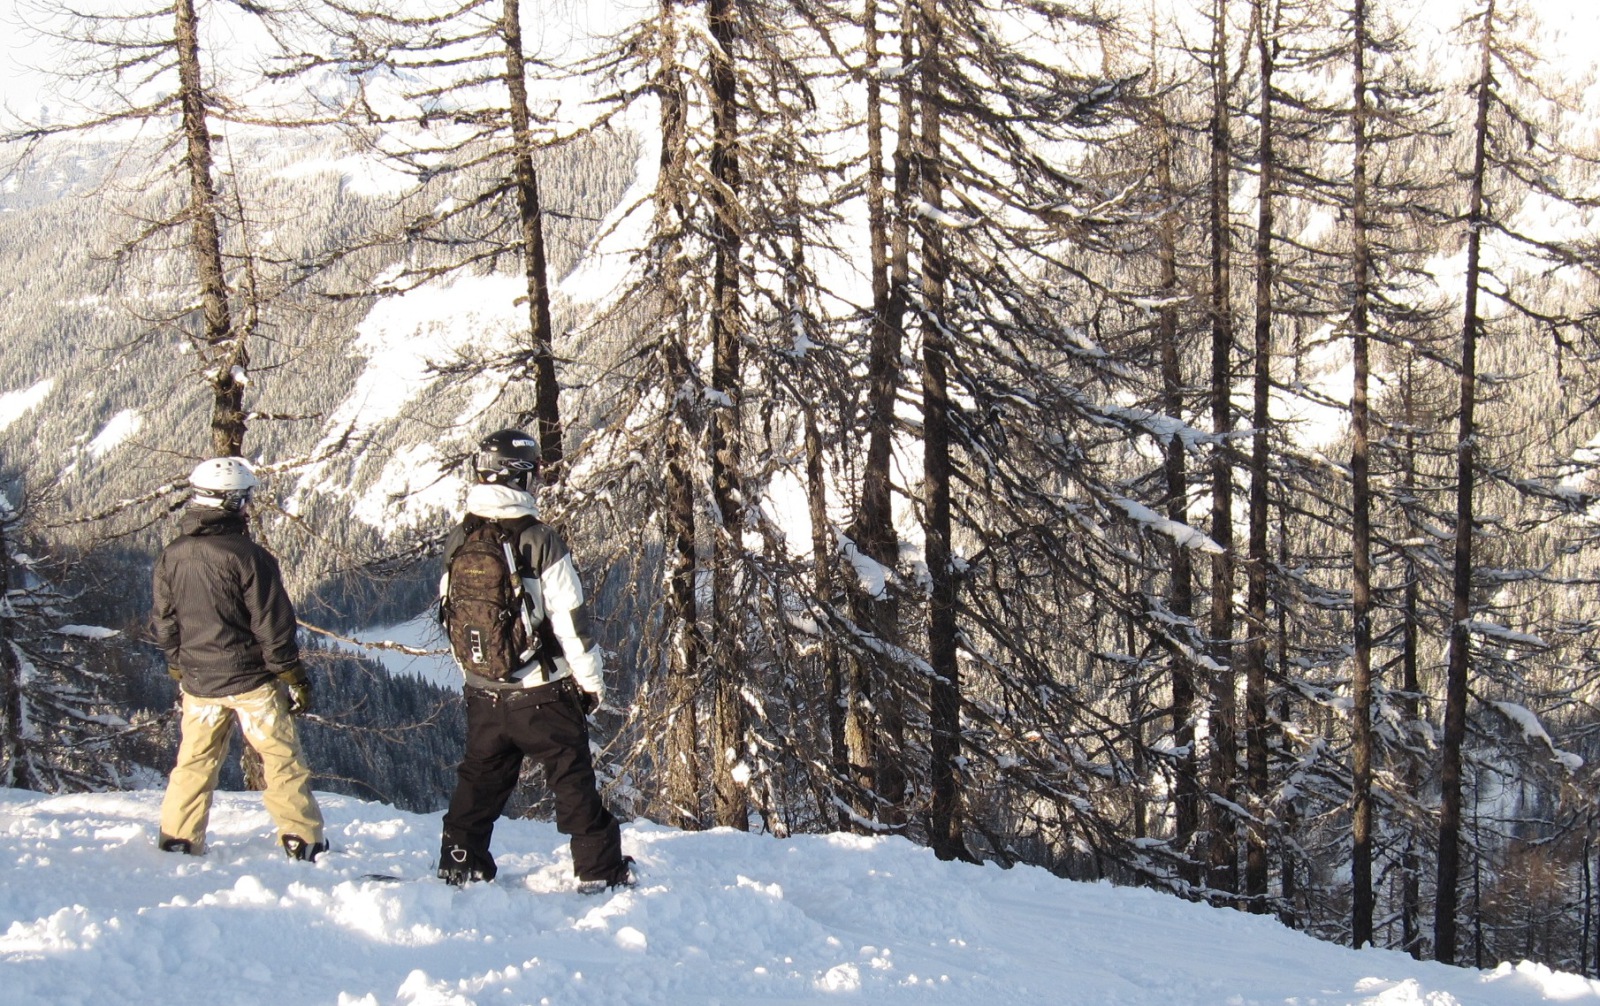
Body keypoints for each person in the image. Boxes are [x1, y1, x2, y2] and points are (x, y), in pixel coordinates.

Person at [436, 428, 631, 890]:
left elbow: (451, 616)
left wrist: (479, 673)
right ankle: (598, 871)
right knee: (571, 776)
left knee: (479, 777)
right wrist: (589, 683)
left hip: (483, 689)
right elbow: (570, 620)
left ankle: (460, 859)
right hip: (541, 690)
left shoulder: (460, 537)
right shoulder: (539, 539)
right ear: (521, 478)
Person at [151, 456, 326, 861]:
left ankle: (179, 838)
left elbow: (164, 619)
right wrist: (292, 674)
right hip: (251, 683)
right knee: (281, 759)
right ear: (231, 501)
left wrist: (177, 661)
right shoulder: (249, 556)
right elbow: (273, 624)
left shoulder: (172, 555)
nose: (248, 504)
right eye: (244, 497)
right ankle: (301, 838)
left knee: (194, 762)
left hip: (199, 684)